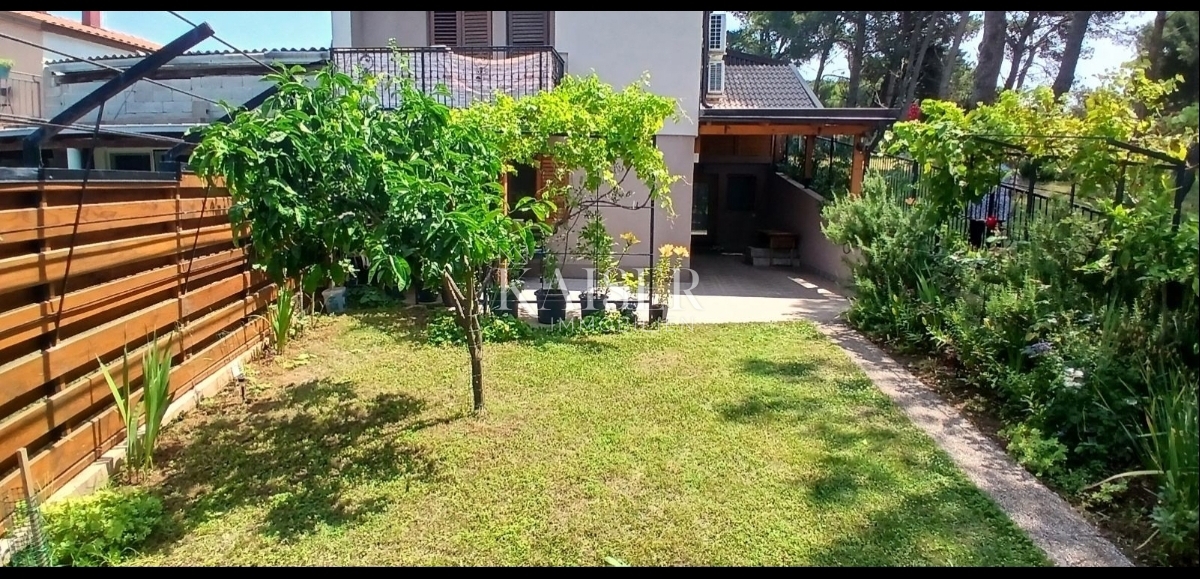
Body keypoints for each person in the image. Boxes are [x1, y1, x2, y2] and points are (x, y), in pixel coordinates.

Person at [967, 165, 1018, 247]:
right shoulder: (1009, 172)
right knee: (995, 233)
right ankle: (992, 250)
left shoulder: (983, 166)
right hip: (998, 205)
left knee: (976, 232)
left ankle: (974, 247)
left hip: (981, 202)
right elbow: (1013, 191)